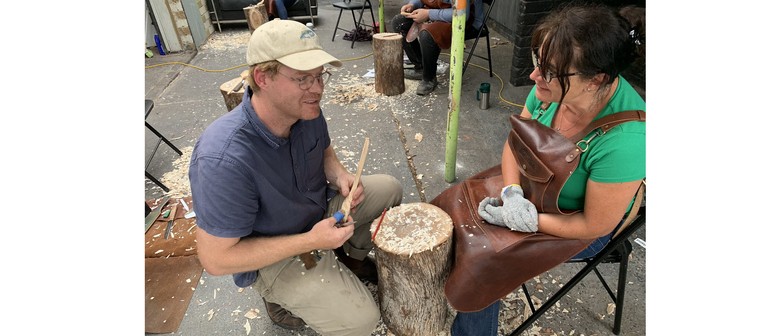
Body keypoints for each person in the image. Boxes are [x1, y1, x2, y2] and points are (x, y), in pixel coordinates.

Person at [188, 19, 403, 335]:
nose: (318, 88)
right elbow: (216, 259)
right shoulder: (223, 159)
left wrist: (340, 175)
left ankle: (350, 259)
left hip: (315, 217)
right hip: (272, 253)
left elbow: (325, 151)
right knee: (360, 320)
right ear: (262, 77)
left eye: (320, 76)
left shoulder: (304, 109)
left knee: (389, 188)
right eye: (303, 78)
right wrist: (311, 241)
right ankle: (277, 298)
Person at [449, 3, 646, 335]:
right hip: (531, 193)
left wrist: (529, 220)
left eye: (549, 71)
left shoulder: (628, 140)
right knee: (455, 217)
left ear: (596, 79)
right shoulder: (550, 89)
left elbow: (593, 224)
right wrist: (512, 194)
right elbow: (517, 143)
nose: (533, 76)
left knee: (484, 261)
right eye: (537, 60)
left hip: (578, 224)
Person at [391, 0, 484, 95]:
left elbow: (461, 13)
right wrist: (412, 5)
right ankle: (420, 66)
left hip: (463, 20)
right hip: (437, 11)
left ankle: (429, 78)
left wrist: (428, 14)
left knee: (427, 34)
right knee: (399, 22)